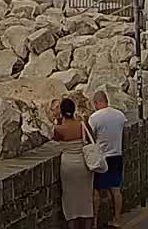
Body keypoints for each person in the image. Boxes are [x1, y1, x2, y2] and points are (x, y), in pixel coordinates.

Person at [50, 97, 94, 228]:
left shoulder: (59, 129)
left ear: (62, 112)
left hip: (68, 165)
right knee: (86, 200)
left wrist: (58, 120)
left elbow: (55, 139)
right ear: (74, 110)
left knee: (70, 200)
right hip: (83, 164)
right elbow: (91, 138)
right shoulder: (82, 124)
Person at [89, 90, 128, 228]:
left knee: (96, 191)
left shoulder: (94, 118)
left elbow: (90, 138)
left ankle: (94, 223)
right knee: (116, 190)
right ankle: (117, 219)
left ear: (96, 103)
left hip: (102, 158)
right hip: (117, 155)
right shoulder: (120, 115)